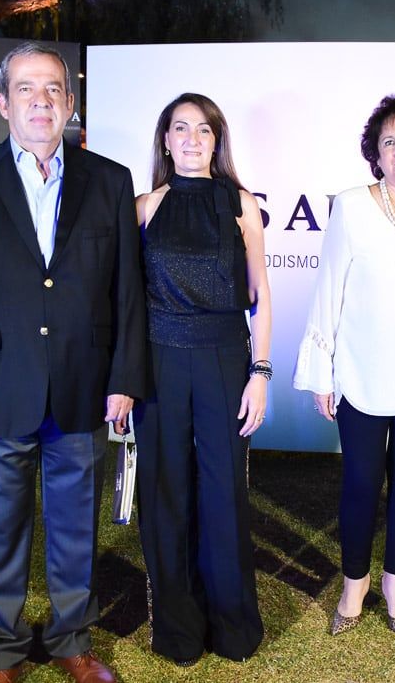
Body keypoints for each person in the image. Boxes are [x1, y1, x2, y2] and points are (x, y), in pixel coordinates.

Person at [0, 41, 146, 683]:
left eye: (52, 88)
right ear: (3, 103)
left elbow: (126, 293)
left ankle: (72, 640)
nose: (41, 100)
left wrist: (124, 380)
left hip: (83, 387)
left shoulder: (109, 181)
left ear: (70, 103)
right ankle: (2, 650)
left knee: (76, 527)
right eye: (26, 88)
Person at [294, 95, 395, 640]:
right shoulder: (352, 205)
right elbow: (329, 289)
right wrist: (322, 371)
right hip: (362, 374)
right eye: (389, 140)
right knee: (362, 483)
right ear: (375, 153)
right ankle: (354, 584)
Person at [134, 92, 271, 667]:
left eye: (204, 130)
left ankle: (233, 626)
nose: (192, 139)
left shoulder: (241, 204)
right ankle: (178, 631)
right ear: (165, 139)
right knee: (165, 495)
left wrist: (260, 373)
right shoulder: (142, 207)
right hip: (159, 361)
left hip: (223, 359)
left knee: (223, 494)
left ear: (217, 141)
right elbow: (127, 302)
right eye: (180, 128)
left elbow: (260, 294)